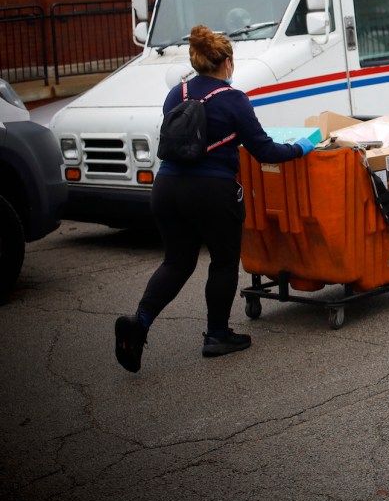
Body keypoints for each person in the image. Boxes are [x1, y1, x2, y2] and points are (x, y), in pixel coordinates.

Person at [114, 25, 315, 373]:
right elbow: (264, 149)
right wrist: (301, 147)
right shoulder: (233, 99)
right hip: (211, 191)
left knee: (177, 262)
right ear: (227, 63)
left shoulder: (176, 94)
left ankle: (140, 323)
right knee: (223, 261)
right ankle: (218, 335)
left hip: (167, 188)